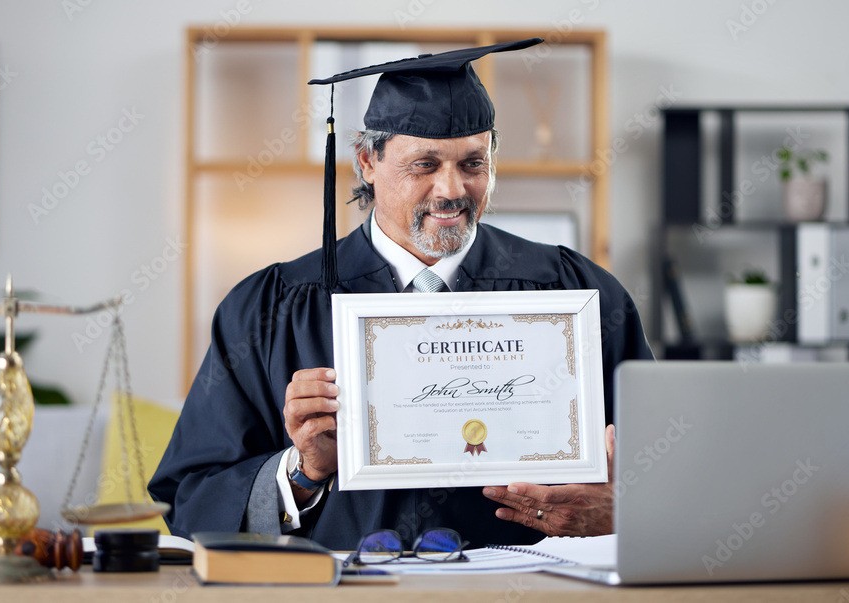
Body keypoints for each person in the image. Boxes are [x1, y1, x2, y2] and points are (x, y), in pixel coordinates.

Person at [150, 39, 653, 550]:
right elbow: (189, 502)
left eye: (473, 164)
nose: (452, 190)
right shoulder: (271, 308)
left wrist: (623, 506)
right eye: (425, 164)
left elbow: (674, 472)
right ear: (368, 160)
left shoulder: (576, 293)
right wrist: (303, 473)